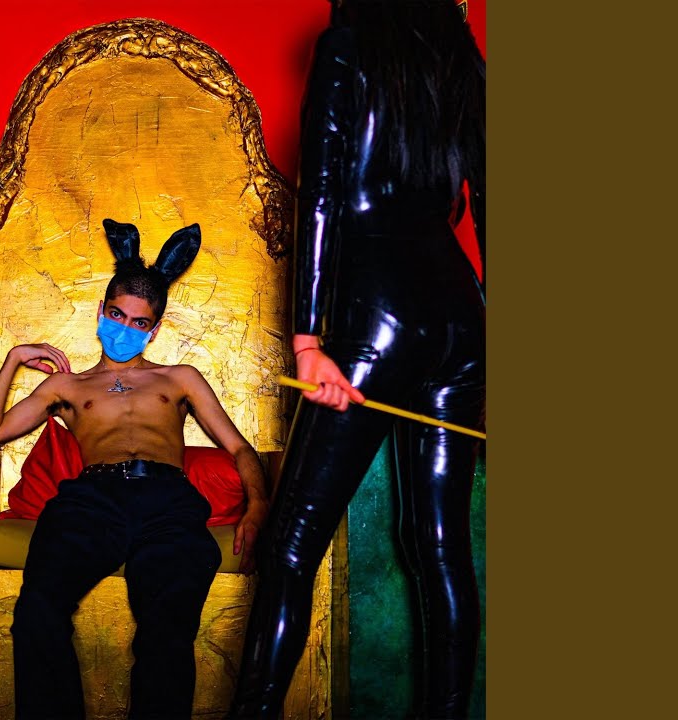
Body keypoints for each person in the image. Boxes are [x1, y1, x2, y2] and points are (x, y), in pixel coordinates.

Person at [228, 1, 485, 718]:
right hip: (460, 317)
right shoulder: (461, 58)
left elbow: (321, 193)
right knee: (439, 547)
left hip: (375, 311)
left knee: (290, 543)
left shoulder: (348, 44)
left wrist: (308, 339)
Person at [0, 218, 271, 720]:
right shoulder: (66, 387)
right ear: (101, 311)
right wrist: (14, 359)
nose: (124, 328)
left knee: (166, 629)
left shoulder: (180, 378)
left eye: (138, 322)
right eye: (116, 314)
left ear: (154, 329)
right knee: (37, 612)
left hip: (168, 502)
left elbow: (240, 449)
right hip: (92, 501)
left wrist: (258, 505)